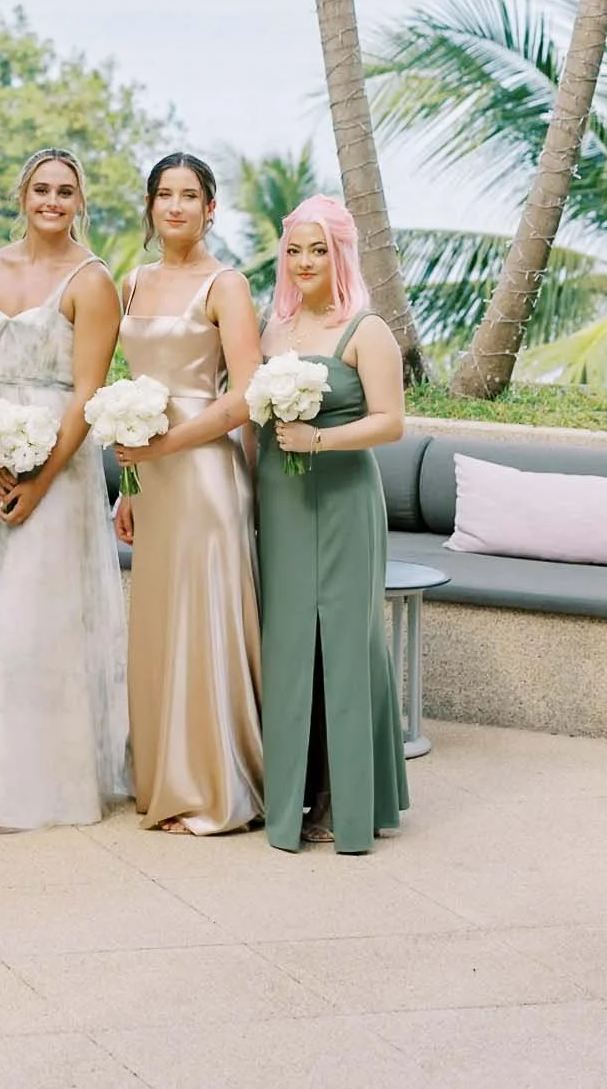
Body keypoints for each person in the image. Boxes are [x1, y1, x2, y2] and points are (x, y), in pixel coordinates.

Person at [0, 147, 130, 828]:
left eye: (64, 191)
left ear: (79, 201)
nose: (51, 201)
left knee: (37, 620)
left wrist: (40, 479)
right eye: (40, 188)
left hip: (59, 464)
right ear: (20, 194)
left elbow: (87, 393)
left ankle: (39, 788)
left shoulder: (92, 283)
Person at [114, 153, 263, 835]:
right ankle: (162, 780)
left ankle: (210, 789)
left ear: (210, 208)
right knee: (158, 624)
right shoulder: (131, 281)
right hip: (151, 481)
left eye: (188, 195)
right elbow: (128, 390)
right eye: (163, 195)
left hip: (203, 475)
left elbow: (244, 396)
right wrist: (130, 482)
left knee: (201, 623)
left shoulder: (225, 285)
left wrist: (165, 449)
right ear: (148, 207)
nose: (174, 206)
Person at [257, 194, 408, 855]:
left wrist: (317, 441)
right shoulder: (273, 330)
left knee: (346, 643)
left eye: (317, 248)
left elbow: (390, 422)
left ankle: (354, 805)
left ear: (340, 253)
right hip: (280, 501)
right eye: (294, 249)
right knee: (288, 644)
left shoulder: (364, 329)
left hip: (343, 497)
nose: (304, 261)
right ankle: (292, 802)